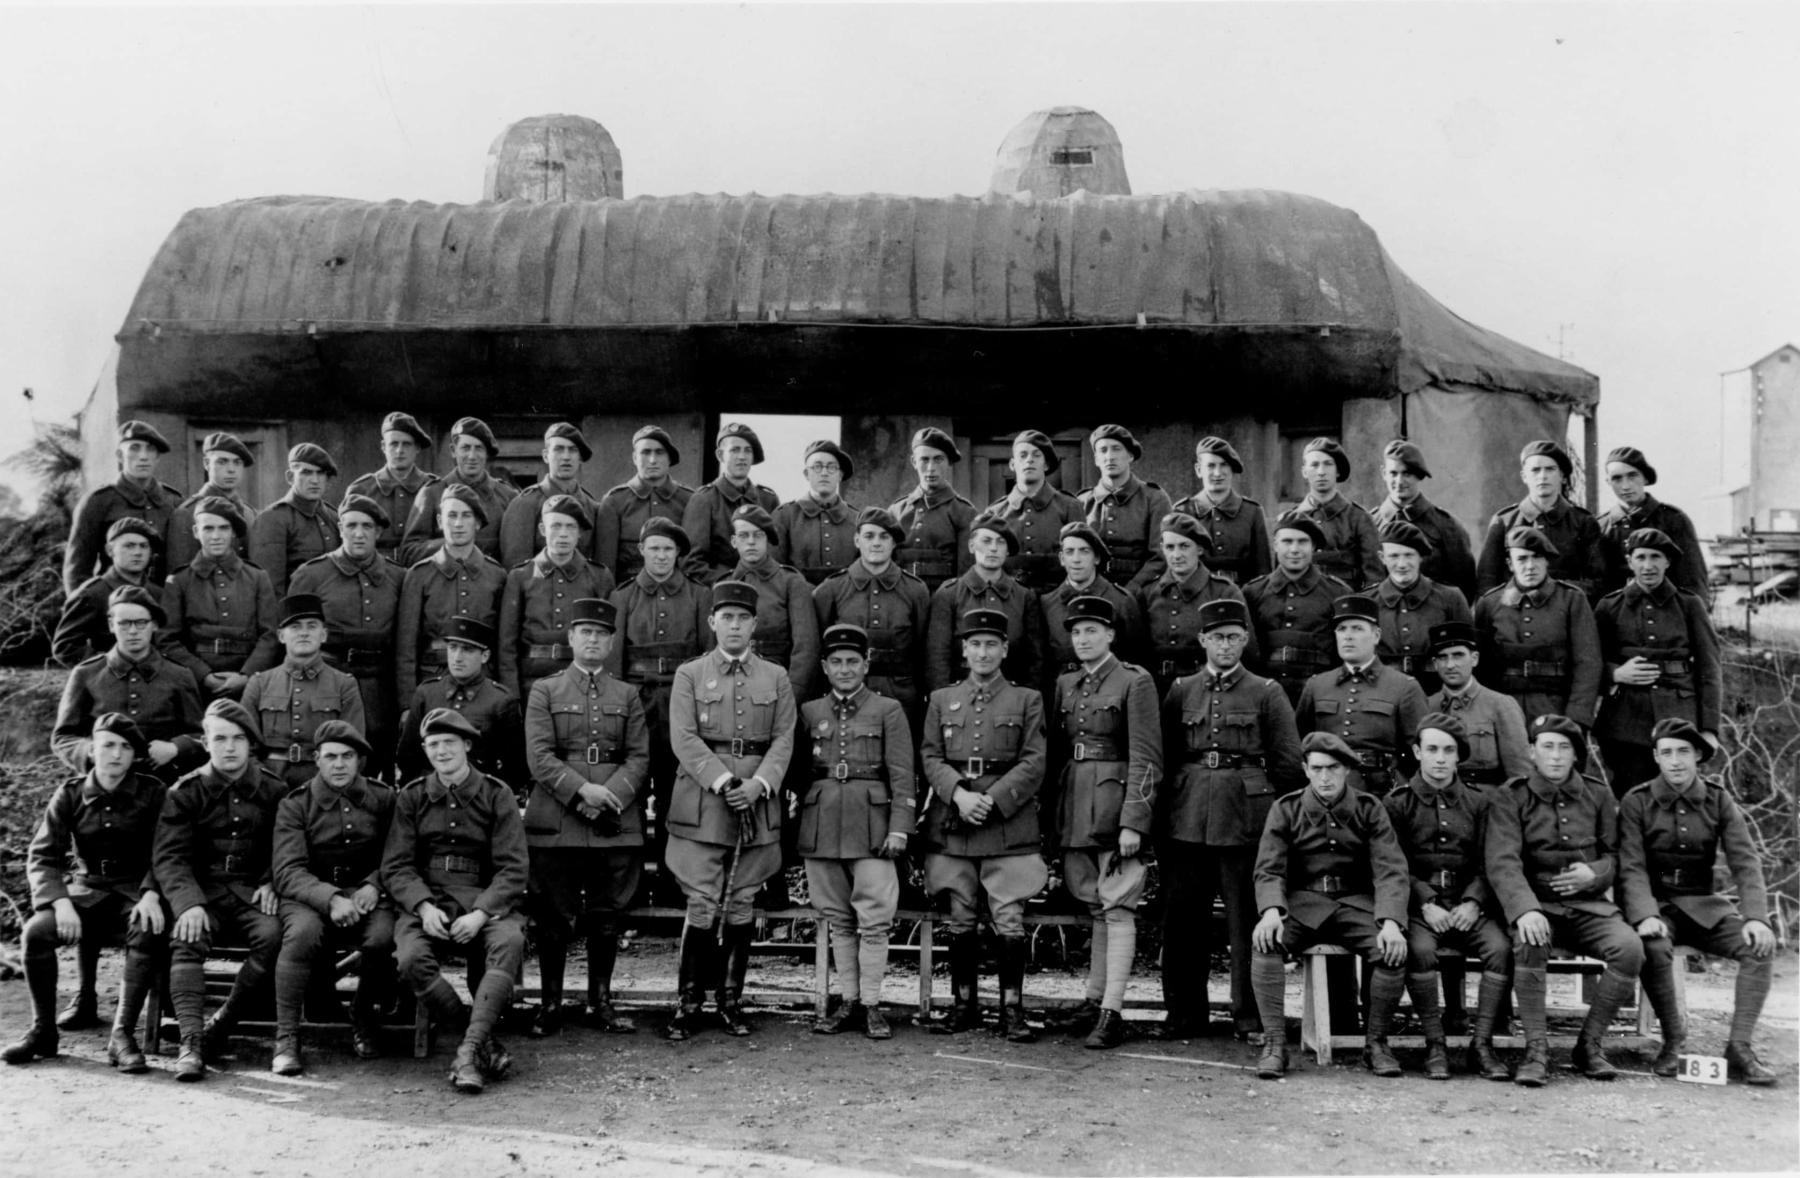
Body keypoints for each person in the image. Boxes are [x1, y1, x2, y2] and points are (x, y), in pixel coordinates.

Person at [1157, 598, 1303, 1041]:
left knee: (1246, 923)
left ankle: (1250, 1015)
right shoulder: (1182, 689)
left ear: (1245, 640)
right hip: (1186, 818)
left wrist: (1279, 827)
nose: (1226, 645)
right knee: (1183, 922)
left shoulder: (1266, 691)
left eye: (1234, 637)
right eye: (1217, 637)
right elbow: (1163, 757)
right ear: (1202, 640)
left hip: (1246, 820)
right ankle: (1185, 1015)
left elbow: (1288, 765)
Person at [663, 581, 797, 1040]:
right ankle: (688, 1003)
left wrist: (759, 785)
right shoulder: (690, 674)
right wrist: (723, 781)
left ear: (755, 624)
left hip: (756, 803)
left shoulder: (775, 677)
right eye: (727, 617)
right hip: (703, 802)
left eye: (743, 618)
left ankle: (730, 1001)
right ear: (712, 622)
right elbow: (683, 737)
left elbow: (784, 739)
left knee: (740, 901)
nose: (734, 625)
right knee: (701, 902)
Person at [1484, 714, 1644, 1085]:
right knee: (1529, 941)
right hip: (1537, 905)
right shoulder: (1512, 795)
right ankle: (1536, 1049)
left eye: (1564, 748)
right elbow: (1502, 861)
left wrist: (1597, 874)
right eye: (1547, 747)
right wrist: (1524, 910)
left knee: (1629, 948)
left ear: (1576, 754)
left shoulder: (1598, 793)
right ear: (1531, 752)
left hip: (1588, 906)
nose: (1555, 756)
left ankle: (1589, 1045)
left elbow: (1618, 854)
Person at [3, 715, 169, 1071]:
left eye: (125, 747)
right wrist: (60, 901)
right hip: (85, 891)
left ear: (134, 755)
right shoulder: (71, 793)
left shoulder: (153, 793)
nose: (116, 754)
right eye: (108, 744)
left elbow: (167, 852)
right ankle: (43, 1031)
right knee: (36, 932)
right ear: (92, 749)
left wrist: (152, 893)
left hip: (133, 893)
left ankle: (121, 1036)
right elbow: (43, 855)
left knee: (148, 927)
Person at [1619, 719, 1777, 1085]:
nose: (1676, 762)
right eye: (1668, 753)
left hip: (1704, 905)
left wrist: (1756, 917)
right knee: (1653, 946)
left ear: (1697, 757)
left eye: (1684, 752)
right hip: (1658, 907)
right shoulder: (1636, 801)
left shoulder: (1718, 799)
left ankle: (1739, 1047)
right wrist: (1644, 914)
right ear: (1656, 758)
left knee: (1759, 946)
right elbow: (1630, 865)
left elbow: (1745, 860)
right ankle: (1672, 1041)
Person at [382, 707, 529, 1094]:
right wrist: (423, 906)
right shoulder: (412, 797)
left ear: (466, 745)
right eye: (433, 745)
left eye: (449, 743)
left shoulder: (497, 795)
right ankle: (479, 1043)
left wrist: (482, 913)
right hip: (429, 900)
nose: (441, 752)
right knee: (411, 959)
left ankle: (466, 1052)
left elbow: (513, 868)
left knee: (509, 941)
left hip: (484, 900)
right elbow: (396, 866)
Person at [918, 608, 1049, 1042]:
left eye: (991, 644)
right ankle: (964, 1005)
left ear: (1005, 649)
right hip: (955, 817)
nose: (983, 652)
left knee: (1008, 916)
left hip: (1006, 820)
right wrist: (958, 793)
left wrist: (992, 800)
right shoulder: (941, 699)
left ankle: (1012, 1010)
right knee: (960, 915)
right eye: (975, 644)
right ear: (963, 650)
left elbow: (1035, 761)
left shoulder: (1027, 699)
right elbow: (930, 757)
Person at [522, 598, 651, 1037]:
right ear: (571, 638)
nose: (593, 640)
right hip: (558, 821)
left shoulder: (628, 695)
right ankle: (551, 1004)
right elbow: (539, 756)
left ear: (611, 642)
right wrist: (582, 791)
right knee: (553, 917)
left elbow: (638, 756)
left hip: (615, 820)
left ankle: (601, 1002)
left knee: (607, 915)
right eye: (585, 632)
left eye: (601, 634)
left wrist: (610, 794)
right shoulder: (546, 690)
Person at [1249, 731, 1410, 1079]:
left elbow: (1390, 870)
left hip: (1355, 904)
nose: (1325, 777)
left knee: (1393, 951)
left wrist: (1392, 921)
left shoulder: (1370, 809)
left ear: (1347, 770)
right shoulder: (1286, 809)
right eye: (1317, 768)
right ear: (1305, 769)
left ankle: (1377, 1043)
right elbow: (1269, 868)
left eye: (1333, 768)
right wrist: (1272, 911)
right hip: (1304, 904)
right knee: (1264, 944)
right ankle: (1275, 1044)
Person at [153, 698, 289, 1082]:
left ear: (251, 744)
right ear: (205, 743)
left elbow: (288, 846)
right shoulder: (184, 792)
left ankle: (223, 1022)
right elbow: (170, 858)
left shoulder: (274, 791)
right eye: (221, 739)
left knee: (273, 934)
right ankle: (191, 1043)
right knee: (186, 937)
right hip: (203, 893)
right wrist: (188, 904)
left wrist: (270, 880)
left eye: (238, 739)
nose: (230, 747)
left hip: (251, 893)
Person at [1045, 595, 1160, 1049]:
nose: (1083, 639)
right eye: (1076, 632)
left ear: (1110, 635)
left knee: (1119, 905)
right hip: (1075, 803)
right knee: (1096, 905)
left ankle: (1113, 1009)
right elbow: (1058, 752)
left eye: (1092, 630)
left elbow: (1147, 756)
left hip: (1115, 808)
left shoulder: (1135, 681)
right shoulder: (1067, 683)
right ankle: (1094, 1000)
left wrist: (1135, 820)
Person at [799, 624, 916, 1040]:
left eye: (853, 661)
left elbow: (903, 775)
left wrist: (900, 827)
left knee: (875, 920)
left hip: (873, 827)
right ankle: (848, 1000)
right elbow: (798, 774)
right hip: (822, 825)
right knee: (838, 919)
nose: (845, 669)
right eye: (837, 662)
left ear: (866, 665)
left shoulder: (888, 710)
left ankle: (871, 1004)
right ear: (824, 667)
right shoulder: (810, 712)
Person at [1382, 713, 1513, 1081]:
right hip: (1422, 908)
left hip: (1470, 907)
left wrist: (1474, 901)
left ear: (1459, 757)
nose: (1440, 758)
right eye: (1432, 749)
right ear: (1417, 752)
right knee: (1419, 950)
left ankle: (1482, 1045)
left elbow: (1495, 859)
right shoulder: (1397, 804)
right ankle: (1434, 1044)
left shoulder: (1481, 803)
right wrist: (1425, 901)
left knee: (1500, 950)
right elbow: (1390, 864)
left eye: (1449, 750)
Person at [269, 721, 396, 1073]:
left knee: (384, 937)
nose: (339, 764)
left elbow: (398, 854)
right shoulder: (295, 804)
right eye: (330, 757)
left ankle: (362, 1011)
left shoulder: (383, 798)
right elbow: (288, 870)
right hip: (312, 895)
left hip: (369, 894)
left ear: (359, 761)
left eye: (347, 756)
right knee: (301, 935)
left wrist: (374, 884)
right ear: (316, 760)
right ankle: (286, 1038)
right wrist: (331, 898)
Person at [607, 518, 713, 903]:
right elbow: (615, 665)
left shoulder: (699, 597)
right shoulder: (623, 598)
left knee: (677, 796)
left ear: (678, 554)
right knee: (630, 795)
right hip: (637, 706)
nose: (661, 556)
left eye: (668, 549)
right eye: (654, 548)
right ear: (642, 550)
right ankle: (630, 889)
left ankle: (673, 885)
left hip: (681, 709)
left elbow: (706, 660)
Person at [1593, 527, 1722, 796]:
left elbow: (1710, 667)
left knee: (1678, 797)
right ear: (1629, 562)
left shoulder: (1689, 605)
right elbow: (1590, 660)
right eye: (1640, 557)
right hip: (1625, 721)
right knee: (1630, 796)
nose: (1648, 566)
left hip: (1678, 714)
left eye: (1655, 557)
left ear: (1667, 562)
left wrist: (1709, 728)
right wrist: (1616, 674)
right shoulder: (1609, 606)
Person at [289, 494, 403, 779]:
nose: (358, 533)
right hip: (329, 680)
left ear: (378, 532)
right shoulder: (312, 575)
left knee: (378, 766)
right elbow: (294, 640)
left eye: (366, 526)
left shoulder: (399, 577)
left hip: (381, 686)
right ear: (340, 529)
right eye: (351, 525)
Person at [52, 585, 205, 779]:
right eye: (124, 623)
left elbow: (202, 735)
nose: (133, 631)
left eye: (141, 623)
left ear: (154, 625)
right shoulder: (86, 674)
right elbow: (63, 737)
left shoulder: (179, 675)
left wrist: (175, 747)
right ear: (111, 625)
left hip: (162, 784)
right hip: (104, 783)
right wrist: (91, 750)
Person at [812, 507, 933, 734]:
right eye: (869, 536)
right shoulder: (831, 590)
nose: (876, 543)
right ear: (857, 540)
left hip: (901, 695)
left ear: (894, 543)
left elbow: (923, 650)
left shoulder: (916, 591)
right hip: (846, 693)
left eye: (884, 536)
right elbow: (818, 649)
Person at [1295, 594, 1429, 796]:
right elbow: (1300, 744)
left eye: (1357, 629)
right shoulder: (1317, 685)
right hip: (1326, 789)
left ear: (1376, 636)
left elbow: (1419, 752)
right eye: (1342, 629)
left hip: (1382, 789)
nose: (1348, 636)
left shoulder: (1404, 687)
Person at [1473, 526, 1602, 730]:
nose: (1530, 566)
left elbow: (1587, 662)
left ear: (1547, 561)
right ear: (1510, 564)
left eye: (1537, 557)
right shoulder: (1489, 604)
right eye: (1522, 559)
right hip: (1504, 709)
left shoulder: (1571, 600)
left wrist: (1575, 717)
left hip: (1556, 708)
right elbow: (1481, 668)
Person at [496, 493, 616, 700]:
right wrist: (512, 695)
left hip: (581, 681)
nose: (563, 534)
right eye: (556, 526)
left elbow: (608, 640)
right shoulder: (521, 577)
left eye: (571, 527)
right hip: (531, 683)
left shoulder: (598, 576)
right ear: (543, 530)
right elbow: (507, 645)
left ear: (579, 533)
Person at [158, 496, 281, 698]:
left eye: (223, 528)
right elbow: (167, 640)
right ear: (196, 532)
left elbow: (269, 635)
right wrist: (203, 675)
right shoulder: (180, 581)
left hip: (249, 683)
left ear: (233, 532)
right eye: (208, 528)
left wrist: (246, 675)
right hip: (194, 683)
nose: (216, 536)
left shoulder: (257, 577)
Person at [396, 483, 508, 704]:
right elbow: (406, 648)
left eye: (466, 516)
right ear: (439, 522)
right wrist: (408, 705)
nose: (458, 524)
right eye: (451, 516)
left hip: (483, 683)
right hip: (432, 679)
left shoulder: (497, 575)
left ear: (477, 523)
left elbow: (503, 645)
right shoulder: (420, 575)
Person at [243, 593, 367, 786]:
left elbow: (354, 748)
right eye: (295, 627)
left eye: (312, 626)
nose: (304, 633)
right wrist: (263, 782)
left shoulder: (344, 684)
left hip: (323, 783)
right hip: (269, 782)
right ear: (281, 636)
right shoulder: (259, 683)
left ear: (323, 635)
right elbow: (246, 747)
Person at [926, 512, 1046, 693]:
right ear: (972, 545)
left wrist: (1027, 700)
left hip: (1011, 696)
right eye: (986, 541)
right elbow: (937, 658)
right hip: (961, 696)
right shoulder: (949, 594)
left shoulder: (1023, 596)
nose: (993, 548)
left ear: (1007, 551)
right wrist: (943, 701)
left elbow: (1035, 659)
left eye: (1000, 542)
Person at [1242, 512, 1354, 704]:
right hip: (1264, 695)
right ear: (1275, 545)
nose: (1294, 549)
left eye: (1302, 542)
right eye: (1287, 542)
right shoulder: (1252, 592)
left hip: (1319, 696)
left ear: (1313, 547)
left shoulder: (1338, 593)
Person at [398, 617, 523, 787]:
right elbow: (408, 757)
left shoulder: (501, 700)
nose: (457, 657)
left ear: (485, 656)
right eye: (452, 648)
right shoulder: (426, 693)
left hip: (480, 795)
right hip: (431, 793)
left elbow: (514, 767)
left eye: (467, 650)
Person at [1135, 511, 1246, 699]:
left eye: (1184, 546)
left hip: (1207, 690)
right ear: (1162, 549)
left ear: (1200, 549)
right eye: (1170, 547)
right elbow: (1136, 652)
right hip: (1156, 690)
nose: (1176, 555)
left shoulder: (1223, 592)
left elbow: (1245, 654)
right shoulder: (1147, 593)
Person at [1476, 440, 1605, 600]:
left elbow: (1597, 582)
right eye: (1535, 470)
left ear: (1562, 477)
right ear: (1524, 476)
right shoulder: (1504, 521)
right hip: (1514, 613)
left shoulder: (1583, 522)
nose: (1542, 476)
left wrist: (1556, 593)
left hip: (1565, 612)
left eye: (1550, 469)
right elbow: (1486, 581)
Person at [64, 419, 179, 593]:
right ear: (119, 455)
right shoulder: (98, 502)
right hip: (114, 606)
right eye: (134, 448)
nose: (143, 456)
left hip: (164, 604)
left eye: (150, 449)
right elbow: (77, 571)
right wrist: (87, 609)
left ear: (157, 457)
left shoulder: (174, 501)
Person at [727, 503, 820, 701]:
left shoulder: (791, 582)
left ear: (768, 539)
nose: (751, 542)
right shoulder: (724, 585)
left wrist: (791, 696)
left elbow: (806, 648)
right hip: (731, 690)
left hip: (777, 686)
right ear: (734, 541)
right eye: (744, 536)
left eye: (758, 535)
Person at [1372, 519, 1472, 697]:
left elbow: (1467, 657)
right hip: (1381, 696)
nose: (1402, 564)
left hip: (1436, 695)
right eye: (1394, 556)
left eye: (1409, 555)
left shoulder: (1450, 598)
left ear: (1421, 557)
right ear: (1382, 558)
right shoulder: (1368, 602)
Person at [399, 417, 518, 565]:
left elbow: (516, 554)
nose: (472, 456)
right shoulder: (432, 493)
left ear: (487, 453)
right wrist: (452, 543)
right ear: (453, 451)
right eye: (465, 448)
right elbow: (409, 552)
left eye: (479, 448)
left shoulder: (507, 496)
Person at [1425, 621, 1530, 787]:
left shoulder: (1500, 705)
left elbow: (1519, 775)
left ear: (1474, 659)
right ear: (1435, 664)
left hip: (1487, 804)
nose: (1450, 665)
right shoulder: (1427, 706)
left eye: (1458, 655)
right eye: (1442, 657)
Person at [1596, 446, 1710, 600]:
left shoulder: (1673, 519)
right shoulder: (1601, 526)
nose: (1625, 486)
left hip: (1668, 614)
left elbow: (1693, 581)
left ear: (1645, 478)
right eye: (1617, 478)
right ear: (1608, 481)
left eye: (1632, 476)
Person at [1371, 440, 1478, 602]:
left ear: (1419, 476)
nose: (1399, 482)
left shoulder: (1445, 526)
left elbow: (1465, 586)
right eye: (1393, 473)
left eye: (1407, 474)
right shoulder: (1369, 523)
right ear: (1383, 473)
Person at [1040, 522, 1146, 675]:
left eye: (1084, 551)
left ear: (1096, 558)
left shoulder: (1121, 601)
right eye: (1070, 552)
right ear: (1062, 559)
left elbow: (1137, 661)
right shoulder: (1047, 603)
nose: (1076, 559)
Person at [984, 429, 1084, 591]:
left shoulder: (1069, 506)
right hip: (1010, 598)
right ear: (1012, 464)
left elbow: (1080, 562)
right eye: (1022, 455)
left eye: (1036, 455)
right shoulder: (995, 513)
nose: (1029, 460)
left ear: (1046, 464)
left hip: (1057, 597)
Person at [682, 422, 781, 585]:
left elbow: (776, 552)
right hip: (721, 590)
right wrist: (730, 583)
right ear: (721, 455)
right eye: (735, 450)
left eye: (747, 451)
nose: (742, 457)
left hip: (765, 588)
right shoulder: (704, 499)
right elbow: (691, 563)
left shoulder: (767, 499)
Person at [594, 425, 696, 582]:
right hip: (628, 594)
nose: (653, 460)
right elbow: (605, 566)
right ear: (635, 458)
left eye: (660, 452)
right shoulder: (614, 501)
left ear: (669, 458)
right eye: (646, 452)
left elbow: (693, 561)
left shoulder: (689, 500)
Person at [53, 517, 159, 668]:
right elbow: (65, 647)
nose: (137, 553)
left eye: (143, 546)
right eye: (129, 546)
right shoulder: (92, 593)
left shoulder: (158, 593)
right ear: (110, 551)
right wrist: (107, 668)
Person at [1078, 424, 1172, 593]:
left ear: (1130, 455)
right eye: (1103, 450)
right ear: (1096, 459)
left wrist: (1132, 590)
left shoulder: (1154, 499)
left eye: (1116, 449)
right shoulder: (1082, 502)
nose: (1110, 457)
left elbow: (1160, 557)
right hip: (1091, 592)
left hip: (1142, 592)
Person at [498, 422, 603, 569]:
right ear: (546, 456)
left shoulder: (591, 506)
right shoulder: (525, 504)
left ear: (580, 458)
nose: (566, 457)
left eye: (572, 450)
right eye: (559, 449)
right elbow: (516, 569)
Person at [1170, 436, 1271, 585]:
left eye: (1224, 465)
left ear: (1232, 470)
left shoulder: (1252, 512)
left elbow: (1263, 571)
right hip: (1196, 595)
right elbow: (1173, 566)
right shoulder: (1183, 511)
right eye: (1210, 466)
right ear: (1199, 470)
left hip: (1243, 596)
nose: (1217, 473)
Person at [1284, 437, 1382, 590]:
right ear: (1304, 472)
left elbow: (1374, 580)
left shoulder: (1359, 519)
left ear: (1338, 471)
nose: (1321, 472)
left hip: (1345, 606)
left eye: (1328, 464)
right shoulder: (1292, 520)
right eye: (1314, 465)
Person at [890, 426, 977, 592]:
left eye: (938, 460)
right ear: (914, 462)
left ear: (949, 462)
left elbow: (965, 575)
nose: (931, 468)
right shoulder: (896, 512)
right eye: (924, 460)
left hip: (942, 601)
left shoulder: (964, 513)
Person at [343, 412, 439, 560]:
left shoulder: (434, 488)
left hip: (423, 571)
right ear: (383, 446)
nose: (399, 451)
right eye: (394, 444)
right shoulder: (362, 489)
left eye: (406, 444)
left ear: (417, 448)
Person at [250, 443, 341, 597]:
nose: (315, 480)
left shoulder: (333, 517)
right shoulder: (272, 519)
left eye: (320, 473)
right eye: (306, 473)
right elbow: (270, 588)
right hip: (295, 616)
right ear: (290, 477)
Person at [771, 439, 861, 586]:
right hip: (798, 600)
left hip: (845, 601)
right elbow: (775, 569)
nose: (824, 473)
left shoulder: (857, 519)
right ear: (807, 474)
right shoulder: (784, 516)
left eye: (831, 467)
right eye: (817, 467)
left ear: (840, 475)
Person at [167, 431, 258, 572]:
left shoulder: (249, 513)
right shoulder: (186, 513)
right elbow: (180, 574)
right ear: (206, 463)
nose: (231, 470)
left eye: (237, 463)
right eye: (222, 462)